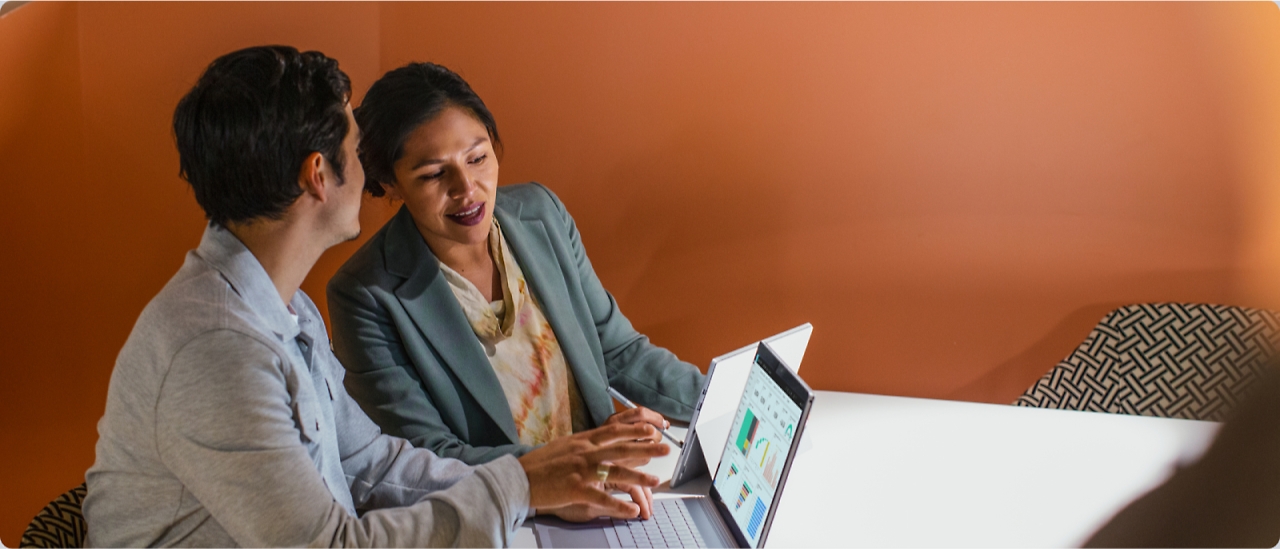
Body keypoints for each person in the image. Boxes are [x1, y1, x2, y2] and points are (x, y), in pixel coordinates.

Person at [83, 45, 668, 548]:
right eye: (357, 145)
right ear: (319, 174)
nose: (369, 171)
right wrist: (522, 486)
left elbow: (374, 465)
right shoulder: (217, 351)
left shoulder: (283, 308)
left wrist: (540, 481)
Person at [326, 63, 706, 467]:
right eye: (435, 174)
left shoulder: (542, 215)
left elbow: (618, 351)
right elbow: (427, 459)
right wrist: (580, 460)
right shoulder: (365, 294)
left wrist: (722, 406)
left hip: (601, 484)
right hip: (506, 515)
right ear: (390, 183)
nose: (466, 189)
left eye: (477, 158)